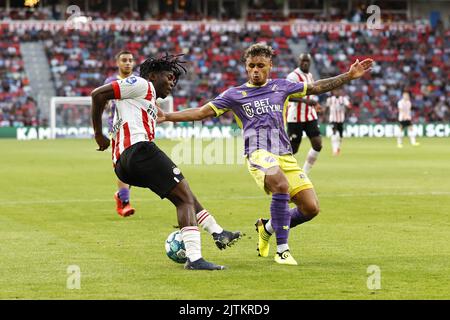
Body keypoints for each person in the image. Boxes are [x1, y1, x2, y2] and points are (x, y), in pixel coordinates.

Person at [159, 43, 373, 266]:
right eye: (251, 66)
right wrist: (168, 116)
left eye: (260, 65)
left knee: (310, 208)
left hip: (285, 154)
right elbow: (201, 112)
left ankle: (267, 227)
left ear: (270, 65)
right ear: (245, 67)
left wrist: (349, 75)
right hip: (258, 153)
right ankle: (283, 250)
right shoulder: (234, 94)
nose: (255, 70)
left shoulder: (282, 86)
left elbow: (316, 87)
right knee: (280, 185)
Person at [91, 54, 242, 270]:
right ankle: (195, 259)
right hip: (139, 151)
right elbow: (97, 94)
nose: (172, 83)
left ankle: (217, 231)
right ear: (153, 75)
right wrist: (98, 134)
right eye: (169, 77)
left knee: (183, 191)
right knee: (184, 201)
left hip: (123, 166)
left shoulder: (146, 102)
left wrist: (165, 116)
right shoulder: (142, 84)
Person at [104, 50, 137, 217]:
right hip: (117, 129)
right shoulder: (110, 82)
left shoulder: (138, 81)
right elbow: (102, 102)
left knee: (135, 167)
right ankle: (124, 201)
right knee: (123, 164)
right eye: (124, 60)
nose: (128, 63)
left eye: (130, 60)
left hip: (137, 128)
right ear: (117, 63)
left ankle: (121, 195)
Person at [286, 53, 322, 174]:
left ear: (310, 62)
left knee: (317, 144)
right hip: (295, 117)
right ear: (299, 62)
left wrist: (314, 104)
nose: (305, 63)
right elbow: (287, 96)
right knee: (293, 149)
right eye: (303, 61)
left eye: (307, 61)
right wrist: (306, 101)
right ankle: (280, 169)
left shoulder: (310, 76)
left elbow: (311, 94)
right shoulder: (293, 76)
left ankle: (304, 173)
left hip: (310, 116)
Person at [325, 89, 351, 156]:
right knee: (334, 132)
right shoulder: (330, 99)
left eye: (338, 91)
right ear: (333, 92)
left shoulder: (344, 99)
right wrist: (325, 117)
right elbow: (326, 108)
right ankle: (334, 150)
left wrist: (347, 108)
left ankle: (338, 148)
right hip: (333, 119)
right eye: (336, 91)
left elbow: (349, 106)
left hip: (341, 120)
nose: (337, 92)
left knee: (340, 136)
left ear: (340, 92)